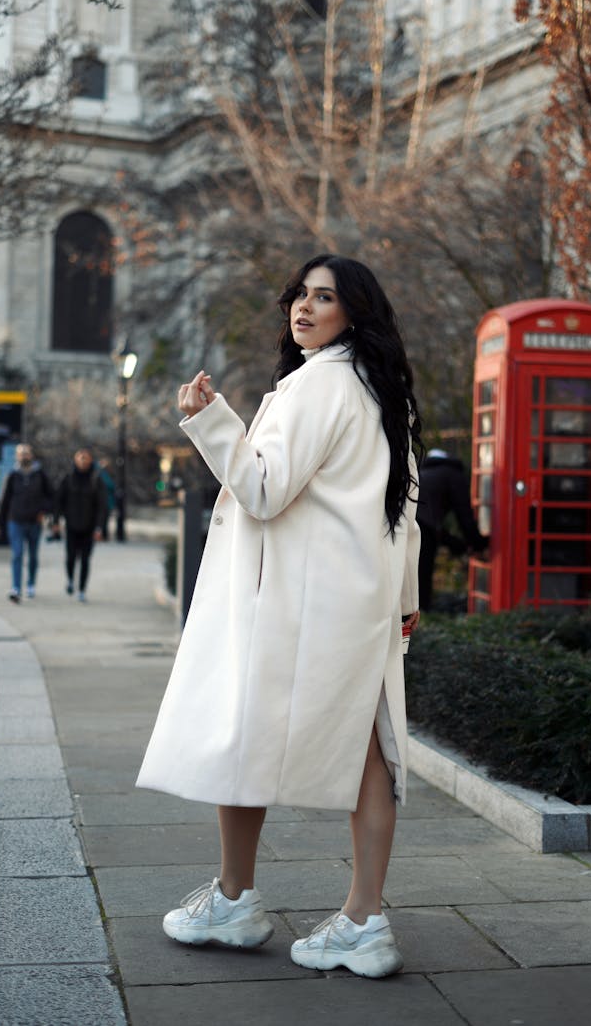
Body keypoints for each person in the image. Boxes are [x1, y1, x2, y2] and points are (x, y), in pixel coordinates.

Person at [137, 255, 421, 979]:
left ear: (353, 312)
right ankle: (366, 917)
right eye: (300, 293)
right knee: (370, 757)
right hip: (359, 599)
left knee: (244, 734)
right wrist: (406, 599)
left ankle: (235, 899)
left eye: (323, 297)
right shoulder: (379, 390)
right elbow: (406, 508)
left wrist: (208, 419)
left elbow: (262, 490)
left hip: (295, 600)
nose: (303, 306)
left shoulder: (316, 385)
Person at [416, 448, 488, 612]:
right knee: (422, 575)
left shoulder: (424, 471)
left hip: (412, 524)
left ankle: (415, 618)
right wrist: (478, 544)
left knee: (415, 576)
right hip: (425, 527)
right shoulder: (452, 474)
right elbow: (464, 514)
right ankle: (421, 615)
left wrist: (461, 546)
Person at [0, 443, 53, 602]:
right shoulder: (12, 475)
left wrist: (44, 512)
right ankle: (16, 588)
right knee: (17, 554)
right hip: (16, 521)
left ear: (31, 455)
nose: (24, 456)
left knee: (33, 555)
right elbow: (4, 500)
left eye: (26, 453)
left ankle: (31, 584)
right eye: (21, 453)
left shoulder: (40, 474)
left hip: (35, 522)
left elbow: (51, 496)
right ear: (17, 456)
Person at [51, 448, 106, 602]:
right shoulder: (68, 478)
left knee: (85, 559)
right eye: (80, 458)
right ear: (75, 460)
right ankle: (70, 580)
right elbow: (58, 501)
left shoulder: (95, 479)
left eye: (86, 458)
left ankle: (81, 589)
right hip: (71, 526)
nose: (83, 461)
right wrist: (55, 522)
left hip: (89, 527)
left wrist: (99, 527)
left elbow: (102, 506)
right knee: (70, 557)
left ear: (90, 460)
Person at [96, 456, 116, 541]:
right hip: (103, 501)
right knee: (102, 519)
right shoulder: (101, 473)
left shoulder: (104, 472)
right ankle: (102, 535)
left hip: (106, 502)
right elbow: (110, 486)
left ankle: (102, 535)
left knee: (104, 520)